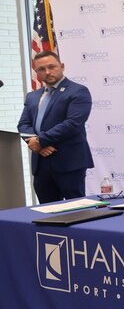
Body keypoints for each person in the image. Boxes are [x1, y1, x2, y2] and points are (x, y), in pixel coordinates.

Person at [17, 51, 94, 203]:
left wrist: (40, 141)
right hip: (41, 163)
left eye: (51, 67)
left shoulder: (78, 91)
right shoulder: (32, 96)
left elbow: (73, 124)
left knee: (77, 210)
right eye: (41, 69)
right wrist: (36, 144)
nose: (47, 72)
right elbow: (23, 124)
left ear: (62, 66)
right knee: (46, 210)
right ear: (36, 72)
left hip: (69, 162)